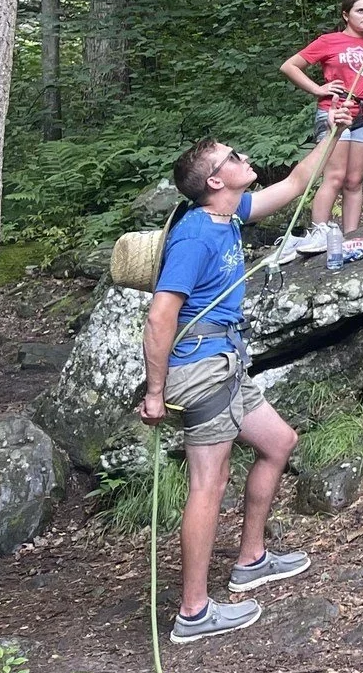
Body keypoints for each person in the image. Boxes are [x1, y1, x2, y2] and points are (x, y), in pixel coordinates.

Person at [138, 138, 322, 642]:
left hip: (227, 361)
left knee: (278, 443)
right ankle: (193, 612)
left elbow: (297, 183)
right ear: (215, 181)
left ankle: (251, 560)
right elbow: (160, 315)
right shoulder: (195, 236)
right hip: (200, 367)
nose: (244, 157)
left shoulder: (230, 212)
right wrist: (155, 393)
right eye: (232, 157)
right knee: (209, 482)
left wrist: (336, 127)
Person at [277, 0, 363, 259]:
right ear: (345, 15)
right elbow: (290, 66)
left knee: (354, 181)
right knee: (335, 176)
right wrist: (319, 89)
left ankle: (350, 237)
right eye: (360, 11)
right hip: (336, 112)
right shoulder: (330, 41)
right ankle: (320, 231)